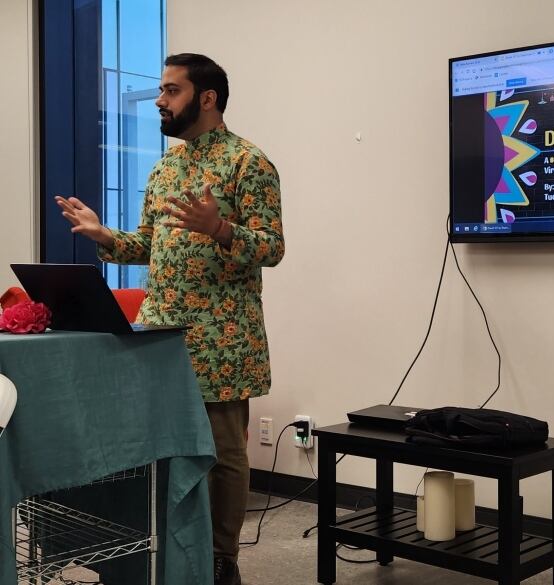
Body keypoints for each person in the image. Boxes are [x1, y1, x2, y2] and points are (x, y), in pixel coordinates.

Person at [55, 53, 284, 585]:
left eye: (170, 90)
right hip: (160, 333)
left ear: (207, 98)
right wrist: (104, 236)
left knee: (222, 453)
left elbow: (271, 248)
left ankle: (221, 558)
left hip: (222, 338)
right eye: (160, 91)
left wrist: (221, 229)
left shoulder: (249, 163)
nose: (159, 100)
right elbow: (152, 245)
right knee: (161, 447)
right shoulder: (165, 168)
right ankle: (164, 549)